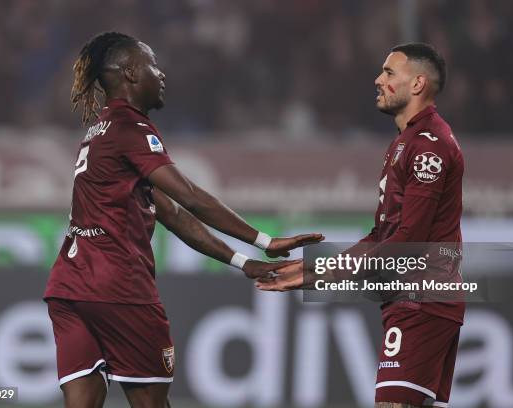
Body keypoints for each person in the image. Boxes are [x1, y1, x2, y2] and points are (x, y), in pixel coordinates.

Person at [43, 31, 323, 408]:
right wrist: (265, 241)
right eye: (151, 65)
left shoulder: (99, 132)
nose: (161, 74)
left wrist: (241, 262)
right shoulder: (131, 128)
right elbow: (188, 196)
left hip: (70, 288)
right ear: (128, 73)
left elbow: (171, 214)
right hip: (119, 288)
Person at [257, 43, 464, 408]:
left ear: (416, 84)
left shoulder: (428, 146)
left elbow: (407, 241)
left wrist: (326, 272)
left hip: (421, 299)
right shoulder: (404, 143)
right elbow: (379, 237)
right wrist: (313, 271)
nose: (378, 79)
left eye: (388, 73)